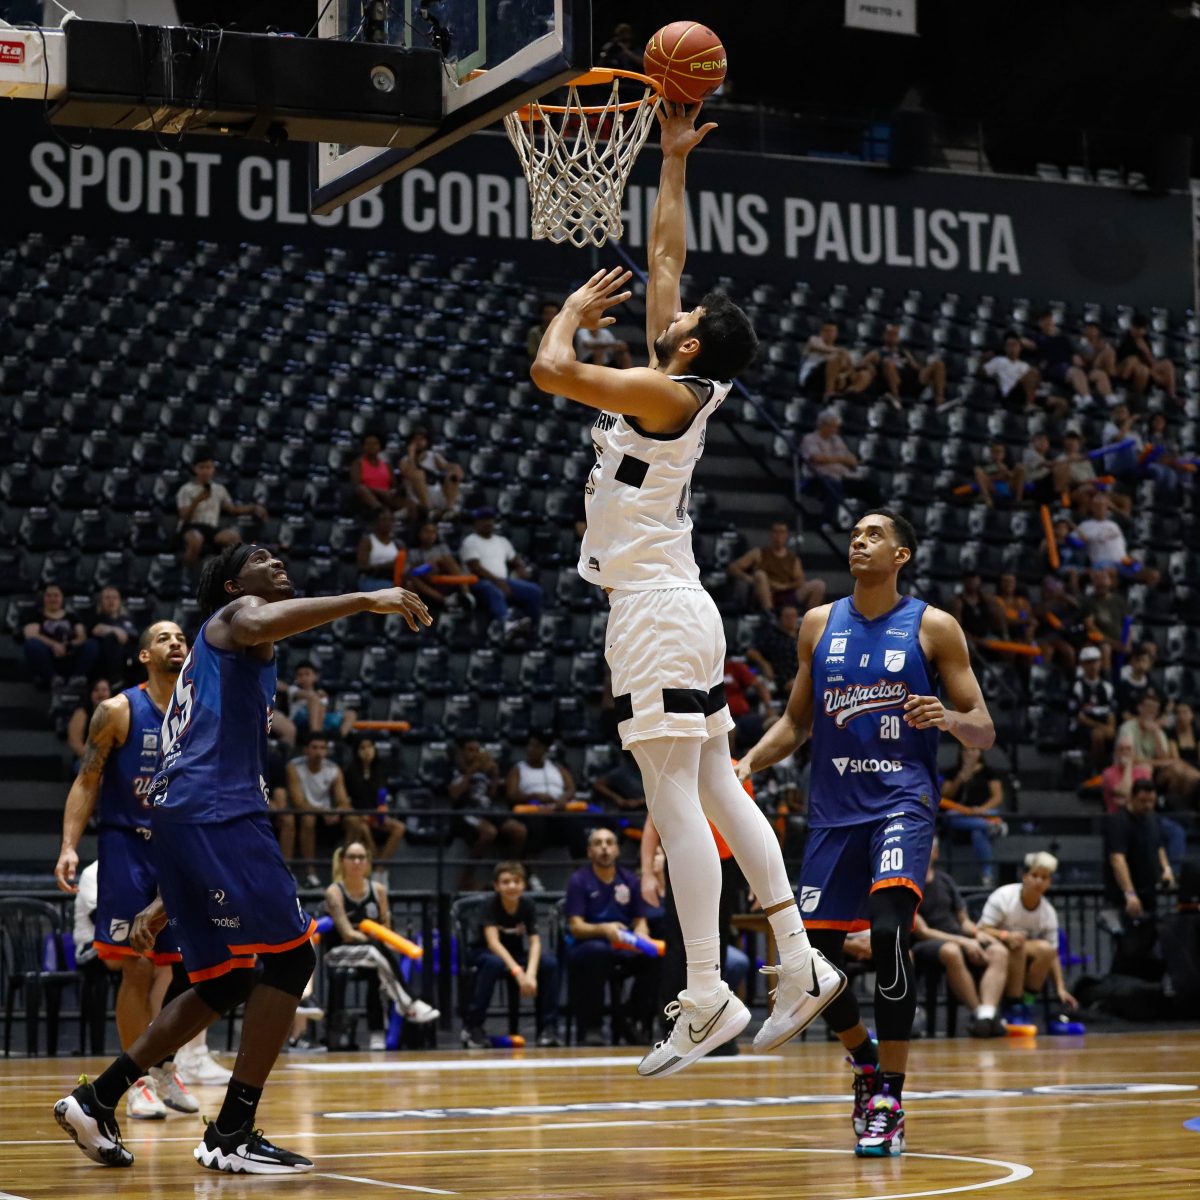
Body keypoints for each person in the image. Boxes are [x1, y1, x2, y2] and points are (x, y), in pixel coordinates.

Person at [531, 101, 843, 1079]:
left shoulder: (665, 391)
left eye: (689, 321)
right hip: (679, 605)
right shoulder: (685, 379)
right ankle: (798, 958)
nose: (677, 312)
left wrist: (571, 313)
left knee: (675, 803)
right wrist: (671, 162)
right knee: (716, 786)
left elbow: (549, 370)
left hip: (656, 614)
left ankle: (708, 991)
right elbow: (666, 259)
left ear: (693, 347)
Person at [53, 542, 431, 1174]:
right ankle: (231, 1132)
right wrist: (368, 598)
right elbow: (257, 623)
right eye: (258, 557)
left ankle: (97, 1099)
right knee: (292, 957)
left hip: (180, 821)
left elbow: (195, 750)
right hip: (219, 812)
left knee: (224, 980)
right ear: (232, 586)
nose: (276, 560)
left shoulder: (212, 661)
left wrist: (168, 894)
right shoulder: (234, 617)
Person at [738, 508, 996, 1157]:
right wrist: (747, 763)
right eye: (854, 533)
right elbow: (796, 724)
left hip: (901, 802)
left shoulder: (934, 626)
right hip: (833, 809)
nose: (858, 540)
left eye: (874, 534)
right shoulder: (818, 624)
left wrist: (948, 718)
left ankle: (891, 1098)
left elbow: (983, 728)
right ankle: (865, 1062)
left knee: (888, 934)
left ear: (901, 555)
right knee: (812, 963)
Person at [54, 619, 199, 1120]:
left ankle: (163, 1064)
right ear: (144, 656)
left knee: (188, 969)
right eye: (163, 638)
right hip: (127, 848)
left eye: (181, 637)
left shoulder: (199, 709)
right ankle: (135, 1081)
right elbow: (87, 779)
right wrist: (69, 846)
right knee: (137, 965)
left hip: (180, 849)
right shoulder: (118, 710)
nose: (175, 642)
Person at [322, 839, 438, 1050]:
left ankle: (377, 1031)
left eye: (361, 857)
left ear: (368, 862)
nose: (357, 862)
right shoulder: (334, 892)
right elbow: (347, 933)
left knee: (377, 968)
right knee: (375, 950)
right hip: (339, 952)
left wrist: (400, 946)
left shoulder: (378, 890)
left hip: (371, 953)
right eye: (352, 857)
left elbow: (386, 929)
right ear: (342, 861)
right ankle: (409, 1004)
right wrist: (374, 940)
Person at [564, 828, 660, 1046]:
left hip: (623, 945)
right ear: (589, 852)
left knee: (653, 957)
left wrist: (641, 936)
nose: (604, 848)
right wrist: (604, 929)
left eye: (609, 842)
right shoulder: (579, 880)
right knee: (598, 953)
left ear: (617, 849)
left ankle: (630, 1018)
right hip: (588, 945)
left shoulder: (629, 880)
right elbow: (576, 926)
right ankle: (593, 1026)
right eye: (598, 843)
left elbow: (640, 920)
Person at [912, 837, 1008, 1037]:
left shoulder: (945, 880)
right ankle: (977, 1013)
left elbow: (963, 921)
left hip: (958, 937)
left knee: (999, 951)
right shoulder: (910, 882)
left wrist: (978, 934)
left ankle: (987, 1012)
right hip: (924, 944)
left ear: (936, 853)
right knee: (952, 951)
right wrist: (965, 942)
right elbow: (923, 931)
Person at [462, 861, 560, 1049]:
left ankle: (548, 1028)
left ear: (524, 885)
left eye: (516, 881)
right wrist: (518, 972)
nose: (512, 886)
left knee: (549, 963)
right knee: (494, 963)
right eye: (506, 882)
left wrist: (530, 974)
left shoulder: (527, 905)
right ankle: (473, 1027)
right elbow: (493, 943)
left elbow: (535, 942)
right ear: (497, 886)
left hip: (514, 953)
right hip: (484, 952)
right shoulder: (490, 905)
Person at [978, 852, 1077, 1024]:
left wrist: (1060, 987)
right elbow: (982, 928)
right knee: (1018, 945)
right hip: (993, 946)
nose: (1039, 881)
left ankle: (1026, 1003)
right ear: (1025, 877)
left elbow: (1053, 954)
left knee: (1045, 949)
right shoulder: (1004, 896)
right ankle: (1013, 1005)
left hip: (1022, 950)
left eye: (1044, 877)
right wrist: (1005, 935)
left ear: (1049, 883)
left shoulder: (1048, 913)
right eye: (1035, 875)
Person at [288, 732, 369, 888]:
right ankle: (310, 873)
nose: (319, 752)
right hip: (303, 814)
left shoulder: (333, 769)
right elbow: (298, 803)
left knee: (353, 820)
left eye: (322, 748)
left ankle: (344, 870)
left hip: (327, 813)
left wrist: (337, 811)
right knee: (308, 819)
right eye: (314, 747)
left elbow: (343, 800)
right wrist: (324, 811)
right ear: (305, 750)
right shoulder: (294, 767)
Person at [448, 739, 526, 891]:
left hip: (486, 809)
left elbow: (491, 795)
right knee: (489, 833)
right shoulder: (455, 770)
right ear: (461, 753)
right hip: (465, 810)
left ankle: (509, 874)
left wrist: (495, 775)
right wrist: (471, 771)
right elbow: (454, 794)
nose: (475, 754)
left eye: (477, 750)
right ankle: (466, 879)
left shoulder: (484, 771)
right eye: (470, 750)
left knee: (519, 830)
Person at [460, 508, 544, 634]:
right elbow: (476, 568)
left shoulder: (502, 541)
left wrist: (520, 568)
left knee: (534, 591)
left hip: (503, 580)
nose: (488, 523)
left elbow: (515, 559)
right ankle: (506, 623)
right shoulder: (470, 541)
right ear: (476, 523)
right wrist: (498, 582)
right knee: (493, 590)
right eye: (484, 520)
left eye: (490, 520)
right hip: (478, 582)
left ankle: (532, 626)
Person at [176, 454, 266, 570]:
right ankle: (186, 571)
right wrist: (197, 501)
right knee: (196, 540)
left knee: (233, 537)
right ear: (195, 469)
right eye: (202, 467)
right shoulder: (186, 489)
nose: (205, 471)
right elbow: (184, 516)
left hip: (210, 528)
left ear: (213, 469)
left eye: (208, 467)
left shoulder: (219, 489)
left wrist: (253, 508)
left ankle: (230, 573)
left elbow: (232, 509)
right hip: (191, 526)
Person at [1105, 779, 1176, 920]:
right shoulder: (1119, 822)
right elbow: (1117, 859)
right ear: (1132, 798)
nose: (1148, 805)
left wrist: (1166, 869)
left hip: (1149, 892)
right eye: (1143, 801)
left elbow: (1159, 846)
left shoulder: (1152, 818)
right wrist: (1129, 893)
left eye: (1151, 801)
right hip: (1125, 897)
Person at [1117, 691, 1200, 803]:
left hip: (1156, 773)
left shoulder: (1158, 731)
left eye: (1155, 709)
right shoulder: (1127, 728)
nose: (1151, 711)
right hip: (1128, 769)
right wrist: (1159, 763)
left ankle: (1183, 804)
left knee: (1176, 771)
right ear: (1139, 708)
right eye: (1148, 707)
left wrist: (1155, 733)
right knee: (1154, 767)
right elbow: (1129, 758)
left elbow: (1164, 758)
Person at [728, 521, 826, 614]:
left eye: (782, 532)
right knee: (760, 574)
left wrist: (784, 586)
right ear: (771, 535)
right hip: (766, 593)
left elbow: (800, 581)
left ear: (786, 535)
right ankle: (769, 614)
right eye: (775, 532)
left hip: (787, 593)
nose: (778, 536)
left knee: (819, 585)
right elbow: (733, 567)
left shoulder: (793, 559)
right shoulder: (759, 553)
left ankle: (809, 619)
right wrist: (751, 579)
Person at [940, 746, 1004, 888]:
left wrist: (981, 809)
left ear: (980, 753)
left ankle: (987, 876)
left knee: (978, 833)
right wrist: (960, 778)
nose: (970, 753)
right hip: (959, 813)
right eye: (966, 750)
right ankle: (993, 826)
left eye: (974, 750)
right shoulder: (953, 771)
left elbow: (998, 797)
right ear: (961, 753)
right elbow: (945, 796)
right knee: (951, 816)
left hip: (983, 812)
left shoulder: (988, 771)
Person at [1025, 310, 1111, 410]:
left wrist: (1076, 356)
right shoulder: (1038, 338)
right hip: (1055, 368)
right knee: (1076, 373)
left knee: (1100, 374)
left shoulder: (1063, 338)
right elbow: (1030, 346)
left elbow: (1075, 351)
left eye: (1050, 320)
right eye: (1045, 321)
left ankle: (1110, 400)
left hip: (1071, 365)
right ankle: (1087, 400)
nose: (1048, 323)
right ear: (1040, 323)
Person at [343, 736, 407, 863]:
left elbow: (383, 796)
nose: (367, 751)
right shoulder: (349, 771)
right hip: (355, 814)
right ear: (356, 751)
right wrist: (359, 814)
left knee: (399, 828)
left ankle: (380, 868)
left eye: (370, 747)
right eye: (362, 748)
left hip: (375, 814)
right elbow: (345, 799)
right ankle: (370, 858)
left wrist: (382, 810)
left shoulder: (381, 769)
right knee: (363, 828)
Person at [23, 584, 99, 687]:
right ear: (43, 598)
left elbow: (82, 636)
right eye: (49, 595)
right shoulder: (36, 616)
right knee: (32, 644)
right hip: (47, 656)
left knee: (92, 644)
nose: (52, 599)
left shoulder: (72, 617)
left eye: (56, 595)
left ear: (62, 598)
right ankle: (52, 678)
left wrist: (69, 645)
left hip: (70, 654)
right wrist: (54, 645)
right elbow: (30, 634)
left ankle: (77, 677)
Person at [800, 409, 862, 528]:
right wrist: (841, 459)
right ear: (823, 425)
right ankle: (827, 522)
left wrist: (836, 459)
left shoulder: (837, 439)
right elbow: (817, 458)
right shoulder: (810, 439)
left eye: (836, 427)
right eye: (833, 426)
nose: (835, 430)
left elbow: (853, 460)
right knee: (834, 486)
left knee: (869, 487)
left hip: (842, 476)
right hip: (817, 478)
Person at [864, 323, 946, 405]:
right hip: (896, 386)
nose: (893, 337)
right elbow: (861, 365)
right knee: (888, 363)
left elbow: (916, 367)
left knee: (937, 364)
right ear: (884, 335)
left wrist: (926, 370)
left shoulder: (904, 352)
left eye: (895, 334)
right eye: (890, 334)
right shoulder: (877, 353)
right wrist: (871, 368)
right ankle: (896, 397)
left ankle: (939, 400)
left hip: (911, 383)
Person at [404, 521, 473, 612]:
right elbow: (411, 572)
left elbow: (450, 564)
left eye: (433, 532)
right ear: (419, 534)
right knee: (412, 576)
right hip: (424, 581)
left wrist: (438, 561)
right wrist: (428, 565)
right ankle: (445, 600)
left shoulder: (442, 548)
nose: (430, 535)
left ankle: (467, 594)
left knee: (446, 560)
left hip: (442, 577)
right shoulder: (413, 552)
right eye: (427, 531)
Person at [400, 426, 463, 518]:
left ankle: (449, 510)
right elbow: (409, 473)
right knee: (418, 474)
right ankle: (428, 510)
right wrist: (411, 454)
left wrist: (455, 468)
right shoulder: (404, 461)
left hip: (436, 493)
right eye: (416, 440)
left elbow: (447, 466)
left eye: (422, 439)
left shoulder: (433, 456)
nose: (419, 442)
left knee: (453, 474)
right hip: (418, 497)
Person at [1115, 313, 1179, 403]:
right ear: (1133, 328)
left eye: (1143, 329)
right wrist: (1154, 375)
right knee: (1143, 370)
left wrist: (1146, 351)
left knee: (1167, 364)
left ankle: (1172, 396)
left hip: (1147, 367)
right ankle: (1137, 400)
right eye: (1138, 329)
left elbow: (1152, 362)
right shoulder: (1125, 339)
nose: (1141, 332)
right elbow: (1129, 364)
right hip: (1130, 370)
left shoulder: (1144, 339)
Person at [1071, 645, 1118, 768]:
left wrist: (1110, 728)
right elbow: (1079, 717)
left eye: (1095, 661)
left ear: (1101, 663)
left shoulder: (1107, 687)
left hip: (1103, 725)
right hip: (1083, 728)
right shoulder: (1077, 686)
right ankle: (1094, 768)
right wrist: (1102, 728)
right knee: (1098, 736)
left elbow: (1111, 712)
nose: (1093, 666)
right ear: (1082, 665)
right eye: (1088, 662)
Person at [287, 660, 358, 741]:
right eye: (300, 675)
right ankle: (315, 735)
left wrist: (321, 697)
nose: (304, 678)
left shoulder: (321, 693)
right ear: (296, 678)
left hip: (320, 720)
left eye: (307, 674)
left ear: (315, 676)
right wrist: (316, 695)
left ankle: (338, 738)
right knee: (314, 699)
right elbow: (306, 695)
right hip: (298, 720)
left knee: (351, 713)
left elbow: (324, 711)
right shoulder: (292, 689)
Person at [746, 604, 802, 695]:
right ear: (780, 618)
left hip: (802, 677)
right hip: (779, 679)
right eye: (787, 616)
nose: (791, 619)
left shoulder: (803, 636)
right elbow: (751, 651)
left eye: (793, 616)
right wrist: (765, 664)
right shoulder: (771, 635)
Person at [90, 587, 141, 687]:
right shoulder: (97, 617)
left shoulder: (128, 619)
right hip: (106, 660)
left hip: (130, 656)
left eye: (114, 598)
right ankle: (115, 680)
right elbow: (96, 630)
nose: (111, 601)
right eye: (107, 598)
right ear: (100, 602)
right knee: (112, 639)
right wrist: (115, 630)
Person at [349, 432, 407, 515]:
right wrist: (379, 491)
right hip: (368, 497)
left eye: (375, 444)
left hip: (387, 497)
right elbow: (356, 485)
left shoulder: (386, 465)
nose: (371, 446)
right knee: (361, 489)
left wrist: (394, 491)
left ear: (380, 446)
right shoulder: (357, 463)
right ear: (363, 446)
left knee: (411, 504)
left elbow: (394, 485)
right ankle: (380, 510)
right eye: (368, 444)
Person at [979, 334, 1042, 411]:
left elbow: (1035, 382)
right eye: (1009, 345)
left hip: (1023, 393)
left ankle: (1030, 403)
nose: (1012, 348)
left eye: (1014, 345)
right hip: (1009, 394)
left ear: (1020, 348)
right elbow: (982, 373)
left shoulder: (1024, 365)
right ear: (1005, 348)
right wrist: (982, 360)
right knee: (1033, 372)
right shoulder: (999, 361)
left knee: (1055, 402)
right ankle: (1029, 403)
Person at [1101, 736, 1152, 814]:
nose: (1125, 752)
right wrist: (1128, 766)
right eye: (1121, 749)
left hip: (1142, 815)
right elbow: (1125, 791)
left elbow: (1148, 798)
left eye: (1129, 749)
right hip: (1117, 816)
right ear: (1116, 753)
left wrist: (1126, 801)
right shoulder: (1108, 773)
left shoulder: (1144, 772)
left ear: (1134, 752)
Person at [356, 509, 404, 593]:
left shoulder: (398, 544)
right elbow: (362, 566)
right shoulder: (368, 541)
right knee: (392, 588)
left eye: (390, 520)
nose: (387, 523)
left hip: (394, 578)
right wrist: (384, 566)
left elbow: (404, 564)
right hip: (371, 578)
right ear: (376, 522)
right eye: (384, 520)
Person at [67, 678, 112, 764]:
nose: (100, 693)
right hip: (86, 760)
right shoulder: (81, 713)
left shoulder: (118, 714)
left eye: (104, 690)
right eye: (96, 690)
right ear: (90, 694)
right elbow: (74, 741)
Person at [974, 440, 1027, 509]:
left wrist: (1006, 472)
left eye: (1000, 452)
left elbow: (1013, 476)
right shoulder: (986, 464)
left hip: (1008, 486)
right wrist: (996, 476)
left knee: (1021, 468)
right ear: (991, 453)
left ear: (1004, 454)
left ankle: (1018, 500)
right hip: (993, 487)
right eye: (995, 452)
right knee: (978, 470)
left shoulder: (1009, 463)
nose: (998, 454)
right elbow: (981, 478)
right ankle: (987, 499)